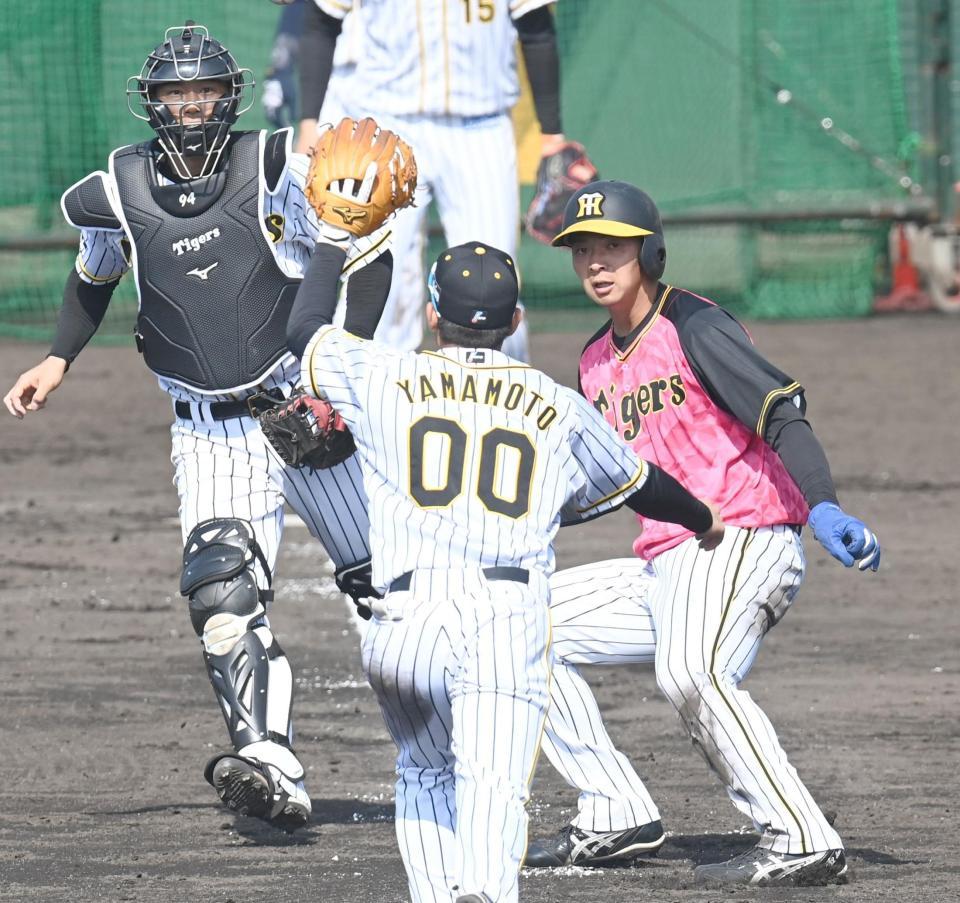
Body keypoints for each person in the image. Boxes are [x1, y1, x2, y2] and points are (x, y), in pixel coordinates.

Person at [2, 23, 393, 833]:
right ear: (151, 103)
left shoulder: (276, 163)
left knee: (390, 587)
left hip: (301, 401)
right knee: (219, 585)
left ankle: (480, 733)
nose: (189, 106)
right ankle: (270, 762)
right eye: (174, 93)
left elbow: (362, 247)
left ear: (230, 97)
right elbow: (94, 271)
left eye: (204, 90)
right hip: (208, 431)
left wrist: (339, 370)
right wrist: (56, 359)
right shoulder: (115, 186)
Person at [288, 231, 726, 902]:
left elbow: (305, 328)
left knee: (426, 770)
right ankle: (485, 893)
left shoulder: (383, 373)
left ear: (434, 314)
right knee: (493, 782)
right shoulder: (556, 403)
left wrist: (328, 241)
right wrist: (702, 518)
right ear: (515, 322)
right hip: (502, 619)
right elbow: (641, 484)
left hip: (404, 622)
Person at [522, 180, 882, 886]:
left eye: (613, 248)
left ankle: (799, 834)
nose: (597, 263)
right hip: (667, 560)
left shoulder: (694, 325)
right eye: (584, 250)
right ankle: (614, 810)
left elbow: (782, 415)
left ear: (648, 251)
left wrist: (824, 505)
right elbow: (608, 482)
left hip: (744, 537)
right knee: (518, 628)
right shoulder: (594, 362)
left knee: (692, 671)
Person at [293, 0, 587, 361]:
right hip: (389, 126)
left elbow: (536, 27)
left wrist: (551, 133)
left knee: (493, 277)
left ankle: (507, 402)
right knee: (378, 274)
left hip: (480, 127)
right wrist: (309, 121)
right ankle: (359, 401)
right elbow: (322, 23)